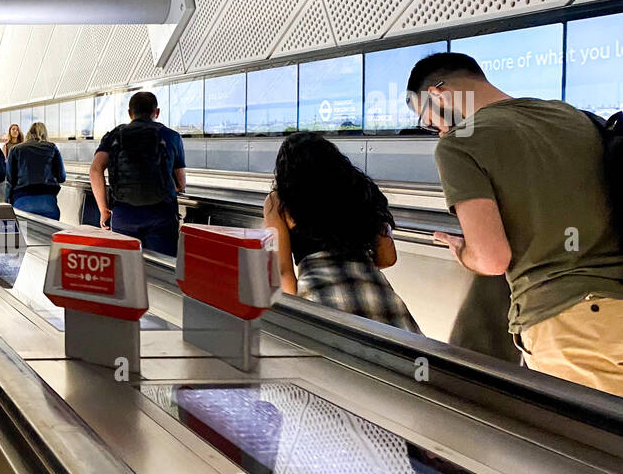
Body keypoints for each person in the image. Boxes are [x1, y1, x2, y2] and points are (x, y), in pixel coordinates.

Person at [408, 51, 623, 395]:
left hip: (569, 327)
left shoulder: (460, 144)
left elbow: (492, 258)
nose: (438, 131)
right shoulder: (575, 117)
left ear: (436, 94)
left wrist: (463, 251)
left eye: (429, 121)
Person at [263, 132, 420, 332]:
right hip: (379, 299)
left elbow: (283, 272)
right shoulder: (361, 191)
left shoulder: (278, 203)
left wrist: (294, 319)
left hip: (321, 299)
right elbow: (388, 258)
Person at [89, 90, 186, 256]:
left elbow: (95, 169)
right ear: (156, 112)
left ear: (130, 113)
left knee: (125, 269)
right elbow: (180, 184)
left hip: (124, 213)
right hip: (161, 215)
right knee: (161, 269)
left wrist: (103, 208)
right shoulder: (172, 137)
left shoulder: (114, 136)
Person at [5, 121, 65, 218]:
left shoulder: (15, 149)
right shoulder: (52, 148)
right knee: (47, 232)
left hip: (21, 201)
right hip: (48, 203)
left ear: (28, 133)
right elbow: (62, 177)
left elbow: (9, 178)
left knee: (22, 232)